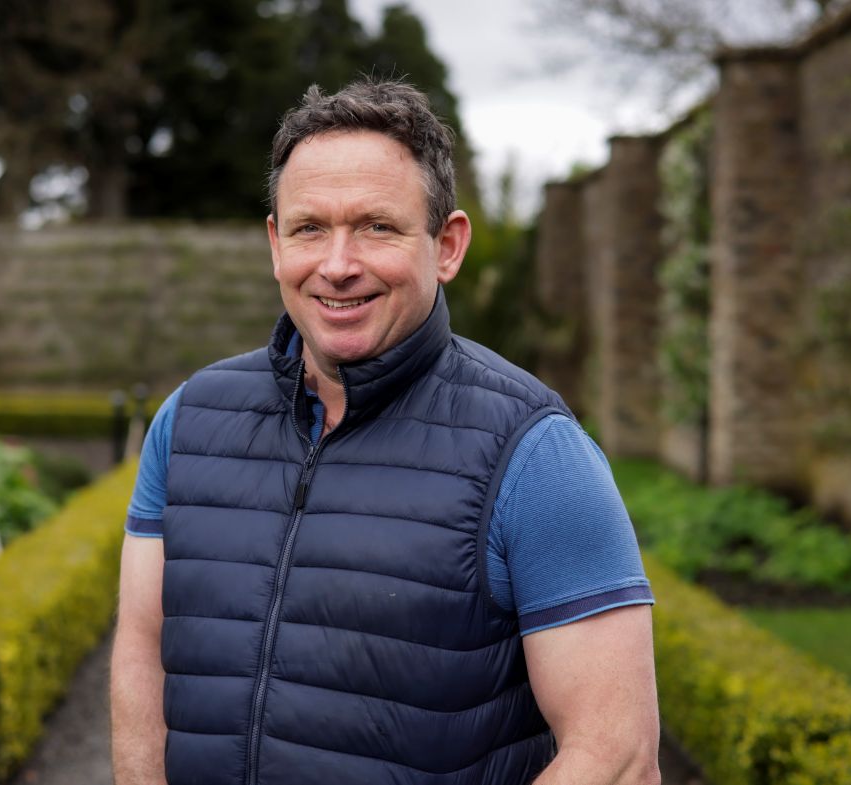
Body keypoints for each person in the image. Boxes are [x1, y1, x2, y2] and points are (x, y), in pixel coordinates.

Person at [111, 79, 660, 785]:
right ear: (276, 244)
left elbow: (618, 755)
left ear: (447, 245)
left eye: (376, 226)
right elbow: (142, 650)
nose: (338, 265)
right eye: (310, 228)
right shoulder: (189, 420)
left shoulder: (534, 453)